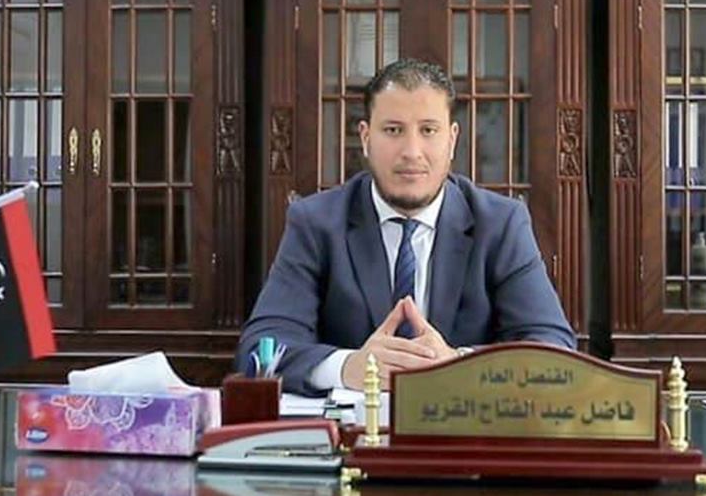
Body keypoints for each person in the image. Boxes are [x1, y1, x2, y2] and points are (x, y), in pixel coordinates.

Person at [237, 58, 576, 395]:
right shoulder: (316, 223)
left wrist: (459, 364)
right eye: (393, 130)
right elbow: (261, 349)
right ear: (366, 138)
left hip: (461, 422)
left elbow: (553, 347)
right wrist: (348, 367)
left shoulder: (501, 224)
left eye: (428, 130)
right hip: (353, 427)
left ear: (452, 140)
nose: (412, 152)